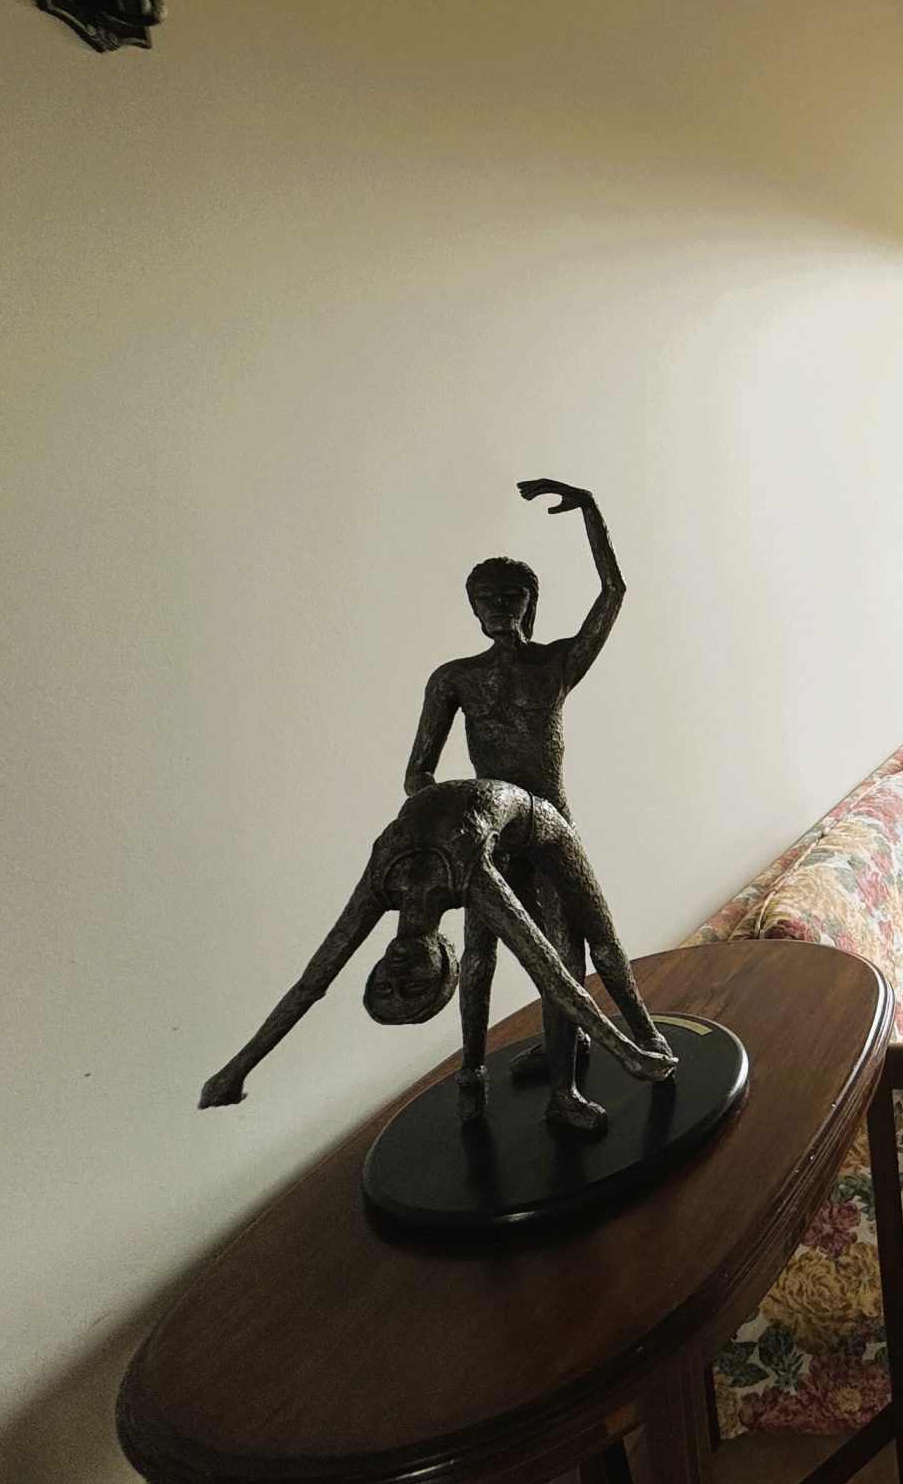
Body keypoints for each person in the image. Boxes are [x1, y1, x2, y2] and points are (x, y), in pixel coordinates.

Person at [198, 780, 677, 1138]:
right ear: (443, 964)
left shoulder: (383, 880)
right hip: (536, 833)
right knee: (580, 950)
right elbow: (549, 972)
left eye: (385, 984)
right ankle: (584, 1075)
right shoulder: (467, 877)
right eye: (414, 985)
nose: (399, 975)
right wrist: (625, 1055)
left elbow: (311, 983)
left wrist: (236, 1069)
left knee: (603, 945)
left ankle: (637, 1036)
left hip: (530, 820)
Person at [404, 479, 623, 1099]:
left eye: (511, 596)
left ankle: (565, 1090)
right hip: (490, 835)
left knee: (565, 954)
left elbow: (613, 593)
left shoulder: (555, 666)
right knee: (479, 955)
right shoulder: (454, 680)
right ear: (473, 608)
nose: (499, 606)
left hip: (552, 831)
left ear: (530, 604)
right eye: (487, 598)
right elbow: (418, 772)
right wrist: (447, 823)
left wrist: (590, 511)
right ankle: (471, 1071)